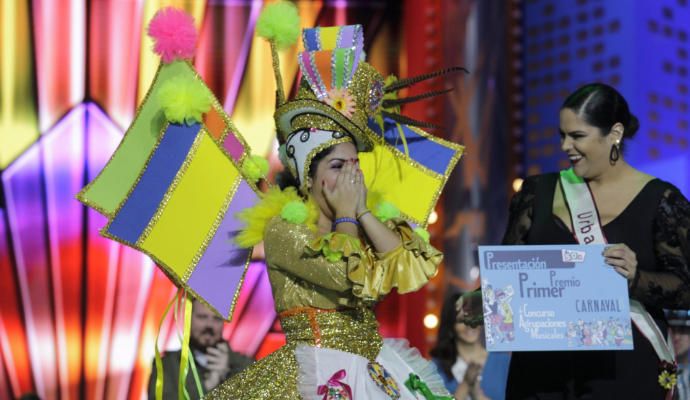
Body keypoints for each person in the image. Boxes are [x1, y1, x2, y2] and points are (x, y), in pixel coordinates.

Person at [207, 4, 463, 398]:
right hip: (315, 372)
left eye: (355, 165)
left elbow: (410, 270)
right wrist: (347, 214)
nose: (351, 176)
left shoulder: (360, 222)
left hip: (376, 369)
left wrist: (361, 211)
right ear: (309, 177)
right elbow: (344, 277)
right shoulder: (283, 229)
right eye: (338, 165)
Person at [458, 82, 690, 399]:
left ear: (615, 133)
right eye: (562, 135)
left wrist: (636, 279)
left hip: (624, 375)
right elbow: (509, 274)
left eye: (578, 136)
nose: (566, 146)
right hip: (540, 376)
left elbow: (685, 287)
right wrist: (481, 298)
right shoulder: (536, 193)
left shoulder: (661, 201)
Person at [147, 300, 252, 399]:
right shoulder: (167, 366)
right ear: (188, 318)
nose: (209, 325)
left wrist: (229, 379)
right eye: (202, 317)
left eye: (217, 318)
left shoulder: (247, 366)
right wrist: (208, 385)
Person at [430, 292, 489, 400]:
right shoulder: (436, 367)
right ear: (450, 325)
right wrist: (466, 383)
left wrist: (477, 394)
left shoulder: (504, 362)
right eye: (461, 320)